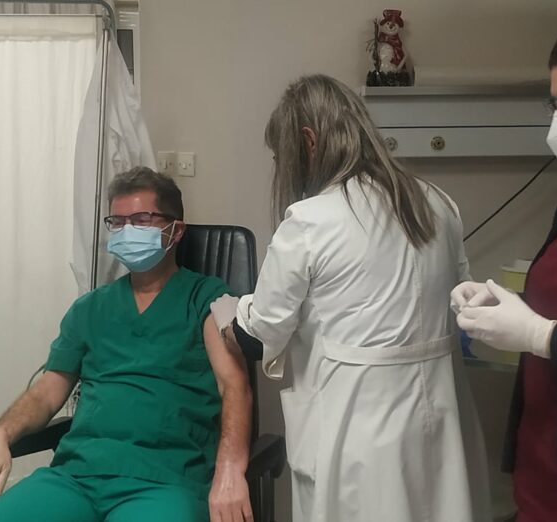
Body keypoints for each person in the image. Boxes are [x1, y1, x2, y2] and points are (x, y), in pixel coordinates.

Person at [210, 74, 491, 522]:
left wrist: (227, 315)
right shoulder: (438, 203)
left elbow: (259, 336)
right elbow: (460, 302)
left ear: (308, 142)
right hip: (440, 428)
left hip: (356, 441)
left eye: (282, 155)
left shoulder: (310, 221)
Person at [0, 167, 253, 522]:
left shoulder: (207, 299)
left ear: (176, 230)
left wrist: (230, 472)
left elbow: (234, 385)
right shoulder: (89, 308)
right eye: (118, 222)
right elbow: (45, 394)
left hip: (164, 480)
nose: (127, 230)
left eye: (141, 220)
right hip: (75, 477)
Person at [452, 12, 557, 522]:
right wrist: (504, 306)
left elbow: (554, 330)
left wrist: (540, 335)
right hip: (541, 474)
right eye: (554, 104)